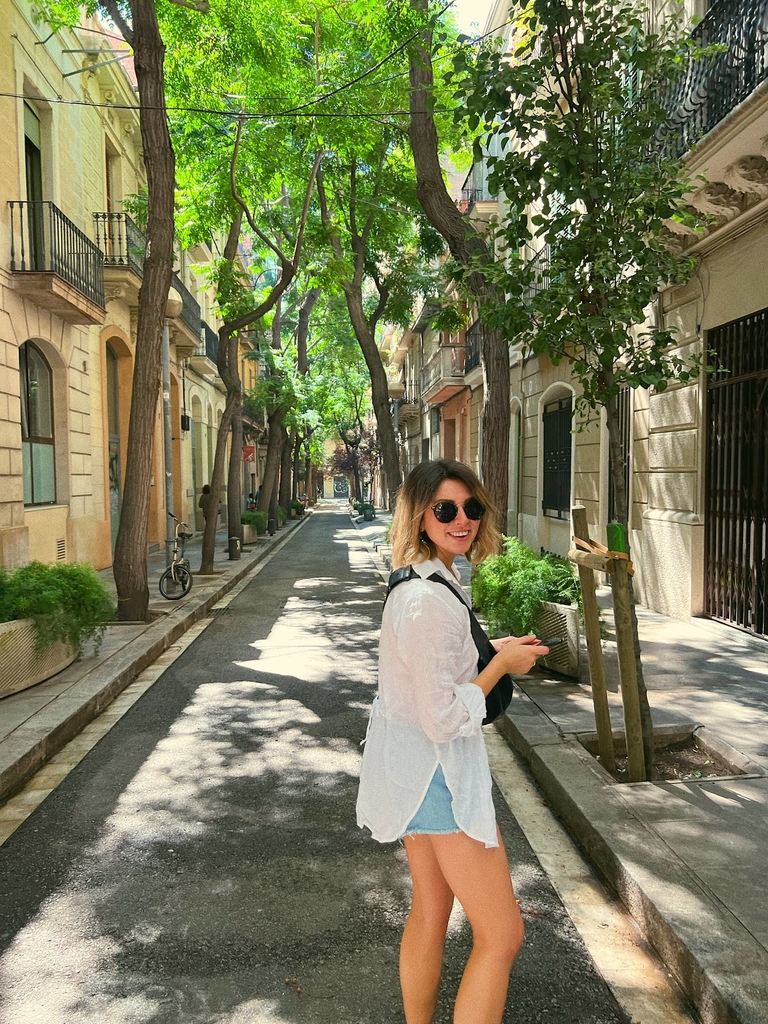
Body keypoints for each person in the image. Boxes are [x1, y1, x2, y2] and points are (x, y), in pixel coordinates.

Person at [356, 459, 548, 1024]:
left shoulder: (432, 579)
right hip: (436, 775)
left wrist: (496, 651)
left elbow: (433, 676)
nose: (461, 520)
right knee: (502, 934)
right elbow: (442, 715)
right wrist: (500, 668)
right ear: (420, 517)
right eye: (445, 509)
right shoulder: (424, 600)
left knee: (432, 908)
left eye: (471, 508)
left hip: (415, 772)